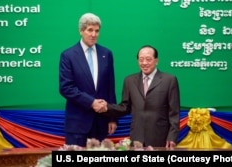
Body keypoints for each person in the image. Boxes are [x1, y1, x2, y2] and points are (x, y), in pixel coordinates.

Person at [104, 45, 180, 148]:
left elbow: (174, 112)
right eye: (141, 60)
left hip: (160, 138)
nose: (144, 63)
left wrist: (172, 136)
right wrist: (106, 107)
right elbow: (125, 107)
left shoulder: (169, 80)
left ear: (156, 60)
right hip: (137, 138)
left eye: (148, 59)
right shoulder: (129, 80)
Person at [59, 13, 117, 147]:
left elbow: (110, 88)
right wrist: (91, 102)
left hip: (101, 123)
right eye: (90, 30)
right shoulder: (68, 55)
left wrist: (112, 117)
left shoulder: (106, 54)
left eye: (97, 31)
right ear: (81, 31)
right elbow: (66, 88)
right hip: (78, 124)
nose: (94, 34)